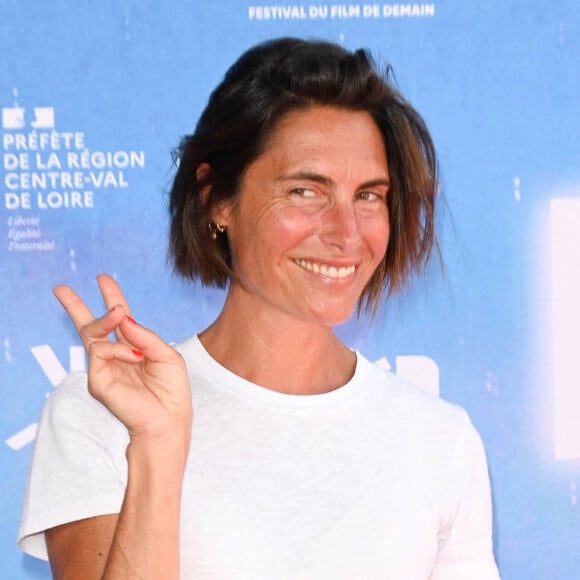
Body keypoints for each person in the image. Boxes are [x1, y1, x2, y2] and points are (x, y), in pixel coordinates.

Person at [19, 37, 500, 579]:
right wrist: (156, 446)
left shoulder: (440, 438)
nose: (346, 234)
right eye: (304, 191)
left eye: (368, 195)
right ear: (218, 200)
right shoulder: (103, 415)